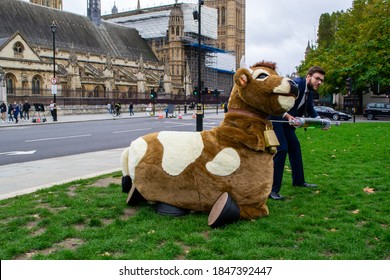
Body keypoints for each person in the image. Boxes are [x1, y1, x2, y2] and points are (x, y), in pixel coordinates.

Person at [268, 66, 326, 200]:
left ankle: (299, 181)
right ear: (308, 76)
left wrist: (319, 122)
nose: (319, 82)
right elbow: (276, 101)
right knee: (281, 149)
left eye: (321, 80)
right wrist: (287, 116)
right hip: (277, 118)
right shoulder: (296, 85)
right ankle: (272, 191)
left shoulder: (309, 90)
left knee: (295, 148)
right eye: (317, 78)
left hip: (288, 122)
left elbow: (310, 107)